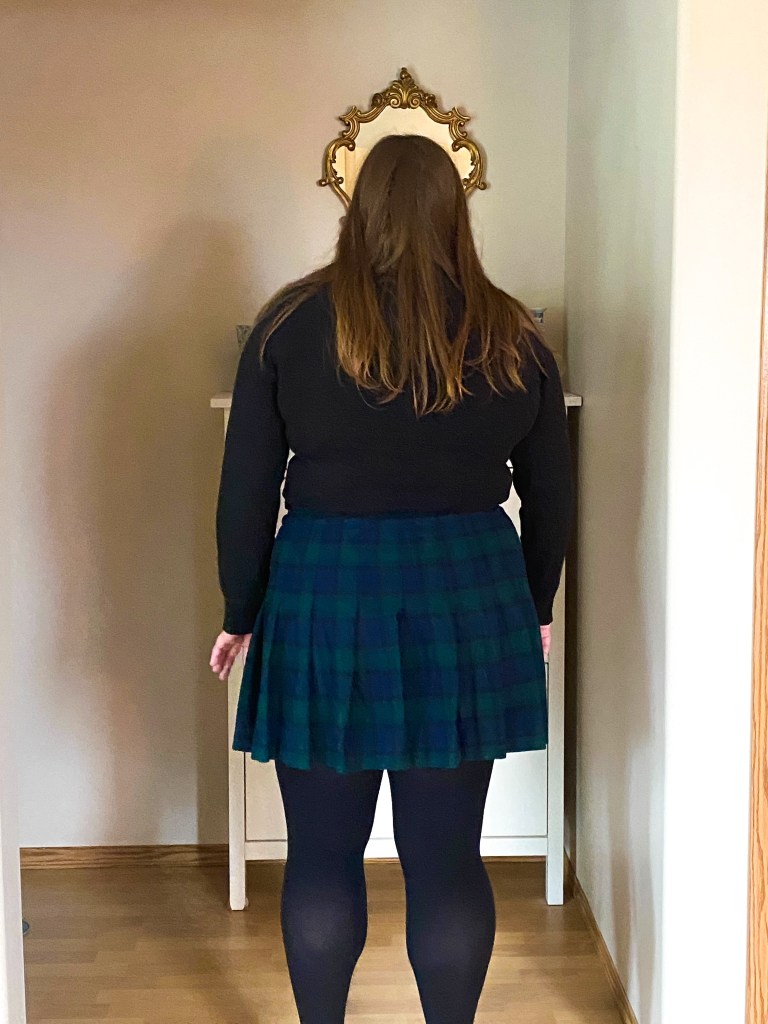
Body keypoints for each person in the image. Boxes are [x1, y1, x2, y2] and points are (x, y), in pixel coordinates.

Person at [209, 133, 572, 1024]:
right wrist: (534, 604)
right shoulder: (513, 332)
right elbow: (553, 493)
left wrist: (240, 609)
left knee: (320, 857)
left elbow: (245, 489)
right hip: (469, 594)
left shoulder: (288, 325)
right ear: (456, 213)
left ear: (358, 210)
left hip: (325, 592)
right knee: (446, 861)